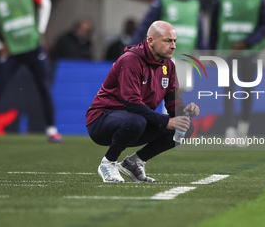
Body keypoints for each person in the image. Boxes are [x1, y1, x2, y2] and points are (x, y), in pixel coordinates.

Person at [86, 21, 200, 183]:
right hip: (101, 120)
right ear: (151, 41)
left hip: (135, 121)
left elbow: (172, 103)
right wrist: (165, 120)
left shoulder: (168, 66)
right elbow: (131, 103)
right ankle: (108, 163)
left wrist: (184, 112)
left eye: (174, 41)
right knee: (136, 120)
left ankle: (134, 162)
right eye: (168, 40)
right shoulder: (130, 60)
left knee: (185, 127)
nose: (173, 46)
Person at [0, 0, 62, 143]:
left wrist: (41, 30)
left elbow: (46, 2)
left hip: (34, 48)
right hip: (12, 51)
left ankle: (51, 130)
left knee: (44, 87)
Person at [210, 0, 265, 143]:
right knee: (228, 90)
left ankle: (243, 126)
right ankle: (230, 129)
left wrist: (247, 42)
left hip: (249, 52)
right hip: (227, 52)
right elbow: (214, 24)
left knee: (247, 91)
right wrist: (210, 49)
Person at [129, 0, 206, 92]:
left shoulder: (195, 3)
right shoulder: (163, 0)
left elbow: (199, 29)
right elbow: (145, 25)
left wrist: (204, 50)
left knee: (181, 90)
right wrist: (132, 46)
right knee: (170, 89)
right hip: (168, 54)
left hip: (186, 55)